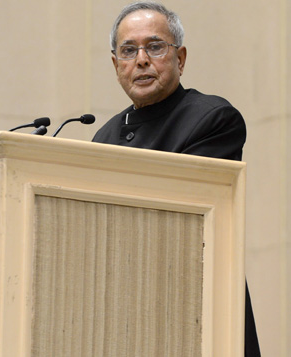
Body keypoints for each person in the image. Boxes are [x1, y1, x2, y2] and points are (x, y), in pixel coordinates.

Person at [92, 2, 260, 356]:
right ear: (115, 65)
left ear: (180, 58)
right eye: (128, 50)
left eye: (154, 47)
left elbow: (177, 214)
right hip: (124, 310)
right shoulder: (104, 137)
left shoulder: (211, 119)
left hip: (193, 303)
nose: (141, 60)